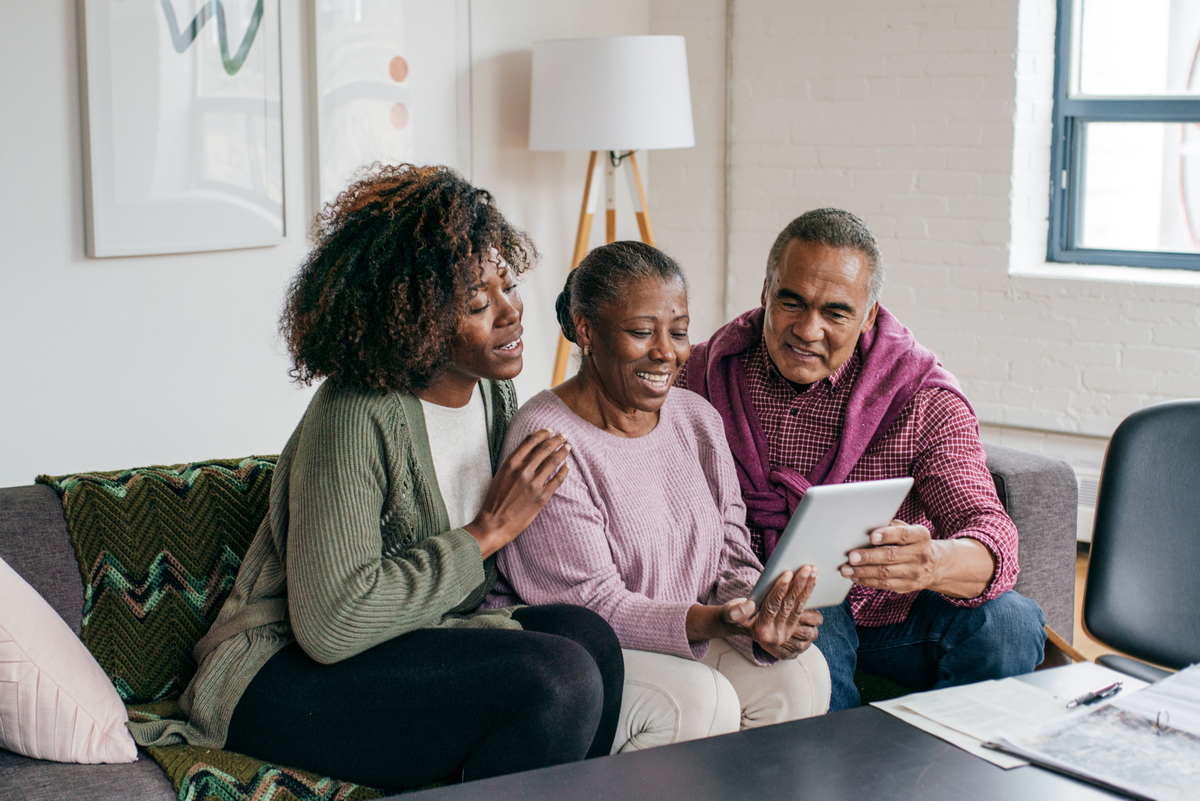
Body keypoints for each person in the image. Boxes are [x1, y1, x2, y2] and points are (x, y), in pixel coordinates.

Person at [128, 165, 624, 790]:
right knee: (559, 679)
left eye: (509, 285)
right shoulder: (354, 414)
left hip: (416, 643)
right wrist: (486, 533)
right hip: (277, 675)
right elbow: (331, 625)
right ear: (414, 317)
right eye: (478, 302)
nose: (511, 314)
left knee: (592, 642)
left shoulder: (494, 396)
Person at [677, 208, 1045, 711]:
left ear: (870, 314)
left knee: (1012, 623)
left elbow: (990, 530)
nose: (808, 329)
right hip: (771, 601)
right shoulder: (703, 374)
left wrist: (930, 562)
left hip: (895, 608)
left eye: (836, 312)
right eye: (791, 302)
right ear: (765, 293)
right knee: (814, 629)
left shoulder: (918, 395)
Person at [488, 240, 831, 753]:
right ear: (586, 329)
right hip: (581, 648)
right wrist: (713, 621)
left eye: (678, 331)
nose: (666, 352)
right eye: (642, 332)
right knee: (696, 699)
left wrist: (757, 613)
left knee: (800, 675)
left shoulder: (697, 419)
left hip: (689, 628)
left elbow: (731, 551)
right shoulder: (547, 439)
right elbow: (590, 604)